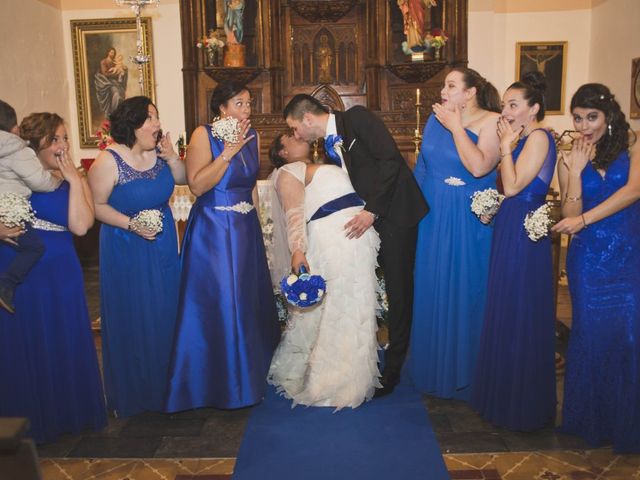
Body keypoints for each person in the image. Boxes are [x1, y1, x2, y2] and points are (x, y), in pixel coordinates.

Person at [284, 94, 428, 398]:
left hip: (396, 215)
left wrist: (371, 211)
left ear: (308, 118)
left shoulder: (358, 118)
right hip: (371, 218)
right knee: (384, 287)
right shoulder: (327, 144)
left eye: (295, 127)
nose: (296, 135)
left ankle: (394, 370)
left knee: (399, 290)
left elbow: (391, 161)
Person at [165, 81, 280, 411]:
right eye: (239, 104)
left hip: (244, 229)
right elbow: (198, 185)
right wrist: (227, 152)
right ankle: (219, 381)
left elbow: (251, 186)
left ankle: (251, 374)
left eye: (248, 103)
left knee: (245, 300)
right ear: (222, 109)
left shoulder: (253, 136)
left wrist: (259, 226)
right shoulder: (204, 134)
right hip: (214, 229)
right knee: (222, 301)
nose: (246, 110)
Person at [0, 112, 106, 443]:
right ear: (34, 146)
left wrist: (75, 180)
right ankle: (29, 421)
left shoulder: (73, 180)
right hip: (23, 268)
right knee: (27, 342)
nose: (62, 146)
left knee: (62, 335)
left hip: (61, 268)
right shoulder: (18, 176)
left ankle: (65, 414)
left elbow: (81, 225)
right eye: (54, 140)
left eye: (65, 138)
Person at [552, 83, 640, 453]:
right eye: (578, 117)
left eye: (592, 117)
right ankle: (589, 419)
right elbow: (569, 213)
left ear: (608, 116)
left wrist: (586, 218)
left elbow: (634, 190)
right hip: (588, 261)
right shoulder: (568, 154)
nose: (584, 125)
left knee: (627, 335)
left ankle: (626, 421)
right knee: (589, 334)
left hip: (628, 254)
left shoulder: (633, 144)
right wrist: (575, 171)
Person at [267, 133, 381, 409]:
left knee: (357, 304)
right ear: (282, 152)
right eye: (290, 138)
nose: (298, 137)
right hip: (333, 240)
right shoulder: (289, 170)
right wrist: (297, 250)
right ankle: (331, 381)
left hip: (356, 238)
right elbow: (293, 213)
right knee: (339, 307)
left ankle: (356, 375)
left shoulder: (321, 163)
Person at [470, 72, 557, 431]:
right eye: (504, 104)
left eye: (513, 105)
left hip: (524, 232)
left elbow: (518, 184)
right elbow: (505, 186)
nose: (504, 111)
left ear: (534, 108)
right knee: (505, 305)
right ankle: (502, 396)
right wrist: (490, 205)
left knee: (520, 307)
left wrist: (505, 148)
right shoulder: (521, 138)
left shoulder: (537, 136)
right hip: (509, 225)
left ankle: (522, 404)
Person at [88, 96, 185, 417]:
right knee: (136, 312)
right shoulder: (107, 161)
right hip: (126, 245)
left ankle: (169, 387)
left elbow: (184, 179)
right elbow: (97, 207)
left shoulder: (159, 154)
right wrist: (133, 225)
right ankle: (138, 392)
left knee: (165, 310)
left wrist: (172, 158)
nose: (158, 124)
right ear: (132, 124)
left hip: (162, 242)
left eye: (157, 117)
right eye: (150, 118)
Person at [410, 67, 501, 400]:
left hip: (467, 217)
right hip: (433, 215)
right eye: (444, 86)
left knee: (466, 287)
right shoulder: (435, 120)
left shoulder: (492, 122)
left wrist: (457, 127)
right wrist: (410, 213)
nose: (444, 92)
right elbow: (423, 168)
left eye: (451, 86)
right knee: (432, 283)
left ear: (471, 92)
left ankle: (467, 372)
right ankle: (432, 367)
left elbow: (480, 166)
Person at [0, 100, 61, 312]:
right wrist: (57, 180)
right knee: (35, 248)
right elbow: (39, 182)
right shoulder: (19, 150)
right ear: (15, 129)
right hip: (11, 211)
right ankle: (5, 285)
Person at [95, 47, 128, 118]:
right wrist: (116, 74)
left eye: (113, 53)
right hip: (107, 82)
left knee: (121, 92)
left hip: (114, 81)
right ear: (108, 52)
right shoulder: (103, 62)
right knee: (116, 93)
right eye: (111, 52)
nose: (112, 54)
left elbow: (121, 68)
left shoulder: (114, 62)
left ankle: (118, 112)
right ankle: (113, 112)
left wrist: (123, 71)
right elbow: (105, 74)